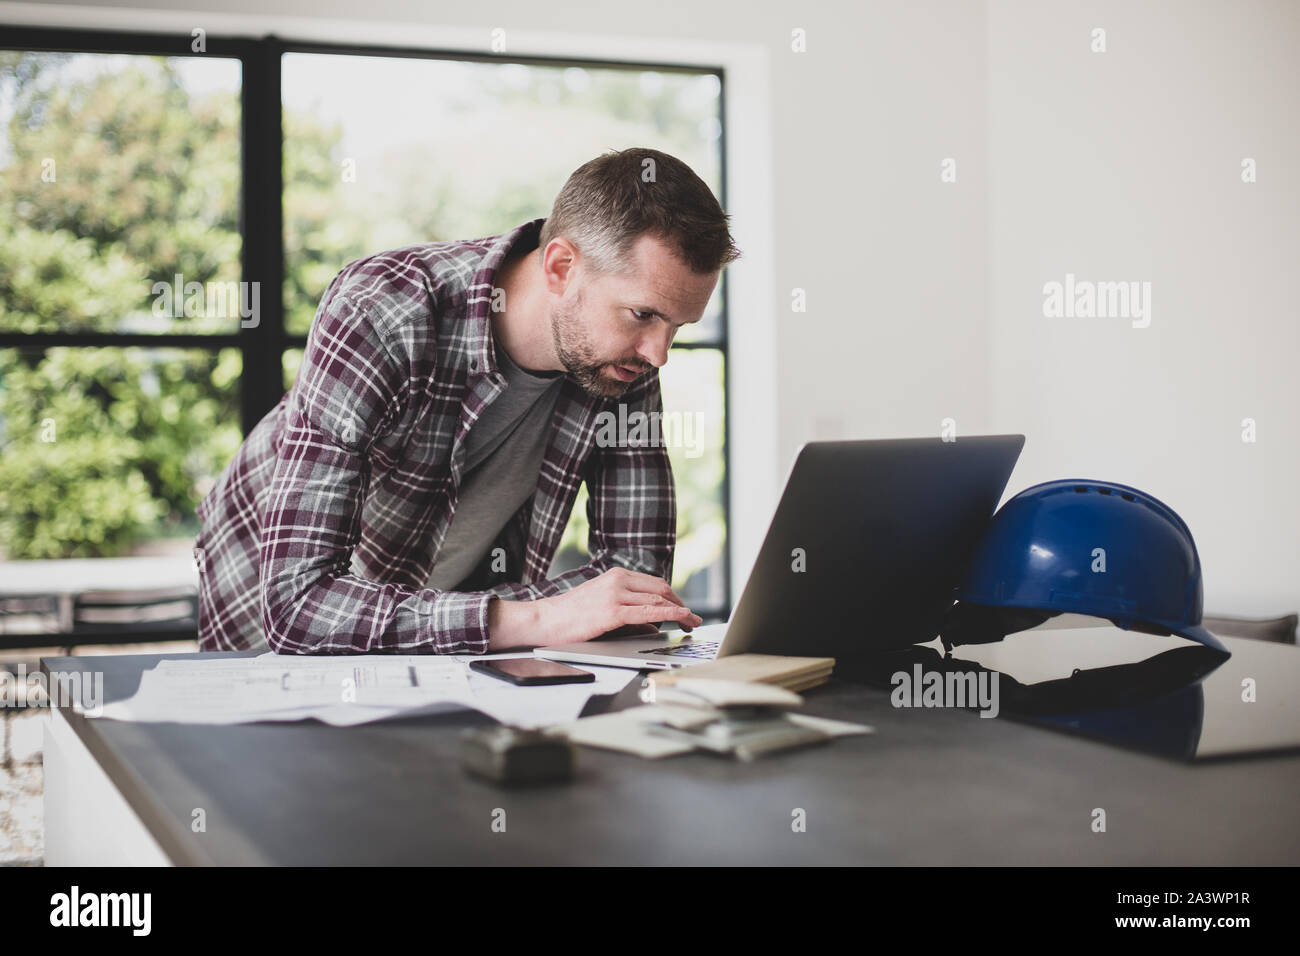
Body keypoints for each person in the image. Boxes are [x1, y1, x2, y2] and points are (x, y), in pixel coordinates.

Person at [193, 147, 741, 654]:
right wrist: (541, 617)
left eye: (677, 325)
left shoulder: (623, 359)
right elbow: (298, 606)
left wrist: (519, 615)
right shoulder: (383, 309)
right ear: (561, 267)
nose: (660, 354)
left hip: (449, 615)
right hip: (260, 582)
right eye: (643, 314)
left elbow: (636, 577)